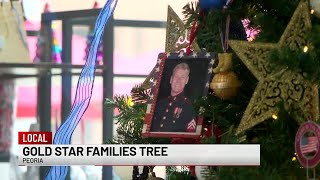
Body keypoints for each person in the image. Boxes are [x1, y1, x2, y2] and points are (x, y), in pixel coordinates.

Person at [151, 63, 196, 132]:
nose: (178, 80)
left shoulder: (189, 107)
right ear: (171, 79)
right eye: (176, 76)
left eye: (182, 77)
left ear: (187, 81)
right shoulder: (159, 104)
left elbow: (189, 135)